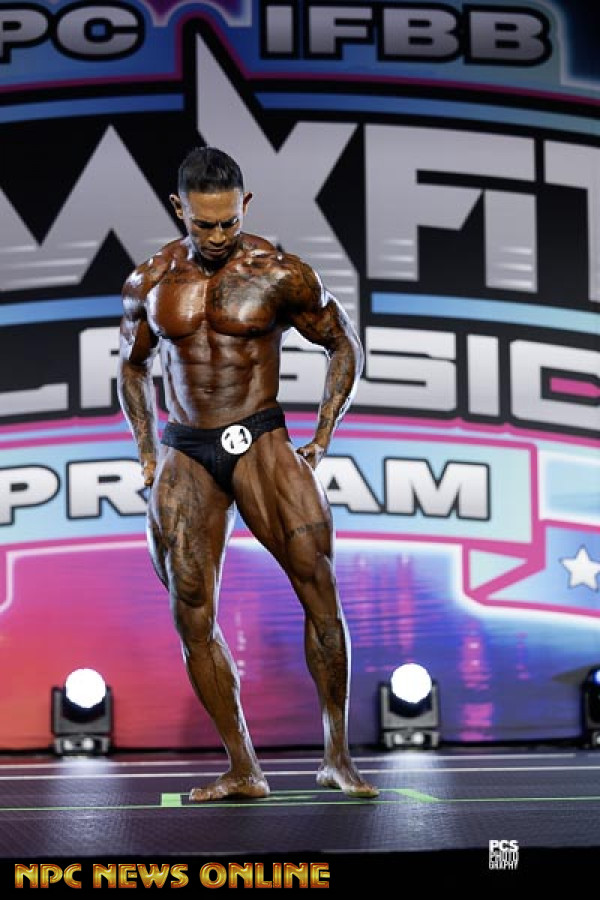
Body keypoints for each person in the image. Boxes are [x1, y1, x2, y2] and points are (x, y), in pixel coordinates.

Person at [117, 146, 378, 801]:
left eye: (229, 222)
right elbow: (132, 365)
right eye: (204, 223)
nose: (217, 236)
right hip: (186, 448)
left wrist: (322, 436)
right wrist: (147, 453)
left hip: (260, 437)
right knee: (191, 611)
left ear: (246, 206)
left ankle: (337, 757)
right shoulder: (150, 280)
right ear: (179, 209)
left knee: (319, 587)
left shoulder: (279, 272)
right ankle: (243, 768)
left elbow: (343, 343)